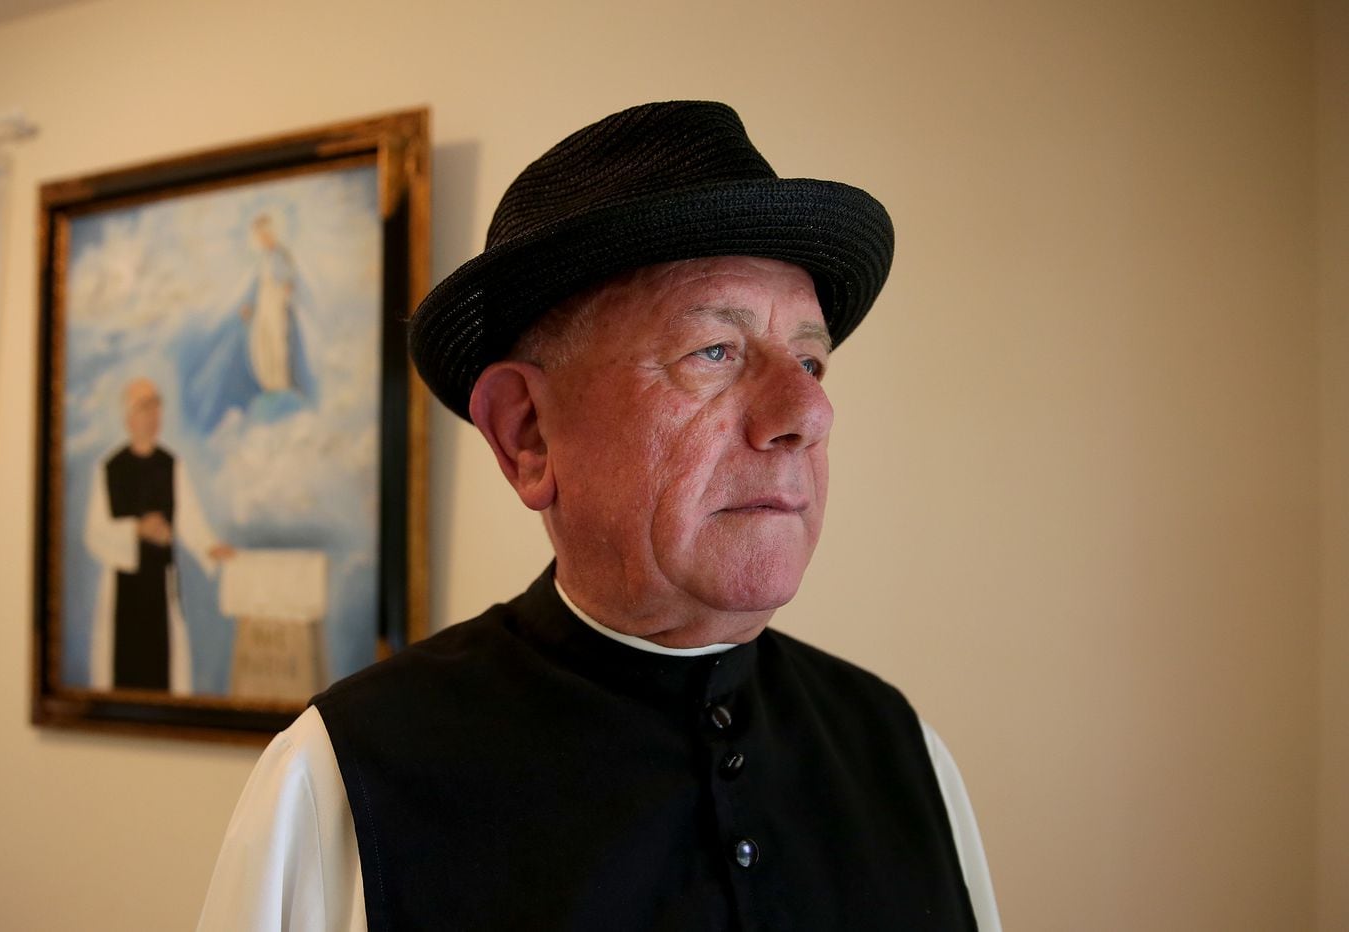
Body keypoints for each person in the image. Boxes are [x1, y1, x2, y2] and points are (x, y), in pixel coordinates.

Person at [199, 101, 1002, 931]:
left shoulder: (906, 756)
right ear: (528, 433)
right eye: (715, 351)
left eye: (809, 361)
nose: (808, 412)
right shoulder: (342, 785)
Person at [85, 377, 234, 693]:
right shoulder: (110, 468)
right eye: (145, 407)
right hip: (123, 588)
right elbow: (95, 532)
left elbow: (189, 517)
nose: (153, 414)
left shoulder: (171, 465)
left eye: (156, 405)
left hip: (159, 583)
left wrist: (210, 546)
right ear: (128, 417)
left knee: (162, 670)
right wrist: (138, 529)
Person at [178, 213, 318, 434]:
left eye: (266, 234)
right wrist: (249, 305)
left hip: (276, 305)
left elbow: (289, 280)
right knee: (259, 344)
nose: (263, 238)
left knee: (277, 345)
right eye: (259, 235)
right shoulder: (262, 260)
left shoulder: (282, 255)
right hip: (263, 307)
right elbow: (257, 285)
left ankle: (281, 386)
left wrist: (285, 292)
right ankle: (269, 386)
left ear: (273, 233)